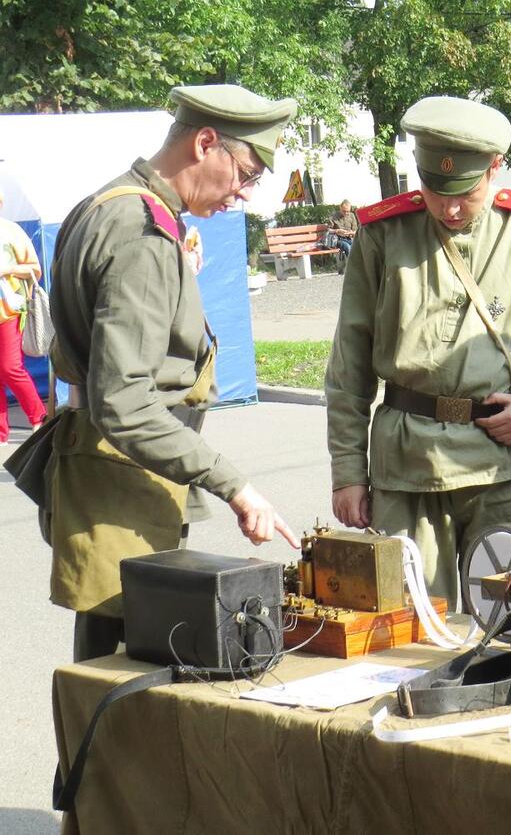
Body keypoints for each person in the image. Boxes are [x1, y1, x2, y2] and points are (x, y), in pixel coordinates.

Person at [7, 84, 302, 662]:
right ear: (206, 142)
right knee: (125, 689)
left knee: (108, 683)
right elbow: (126, 402)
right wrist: (235, 486)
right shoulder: (141, 231)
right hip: (125, 482)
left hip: (116, 474)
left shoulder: (107, 204)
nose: (241, 195)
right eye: (244, 174)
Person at [326, 95, 511, 601]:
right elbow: (350, 363)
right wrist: (348, 472)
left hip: (508, 468)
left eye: (466, 192)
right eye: (436, 191)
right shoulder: (383, 233)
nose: (450, 208)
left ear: (495, 168)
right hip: (407, 468)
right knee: (409, 626)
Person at [0, 188, 48, 442]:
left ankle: (37, 415)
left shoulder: (11, 231)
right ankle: (1, 432)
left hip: (8, 311)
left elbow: (34, 269)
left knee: (10, 367)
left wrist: (7, 269)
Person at [326, 199, 358, 270]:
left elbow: (356, 231)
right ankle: (352, 268)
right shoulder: (333, 216)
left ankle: (357, 267)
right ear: (340, 208)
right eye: (344, 211)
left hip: (349, 238)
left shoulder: (352, 216)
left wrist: (350, 232)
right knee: (347, 247)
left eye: (348, 211)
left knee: (357, 247)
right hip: (338, 239)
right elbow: (328, 230)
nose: (346, 213)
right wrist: (337, 230)